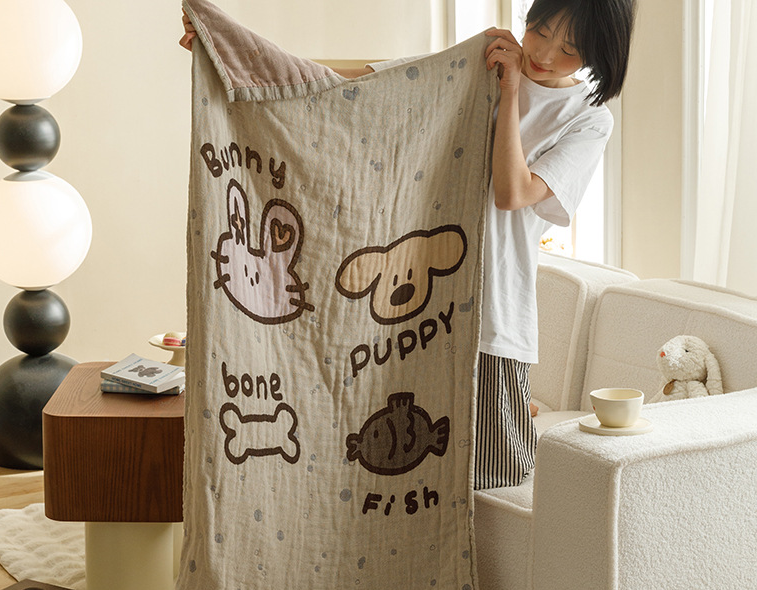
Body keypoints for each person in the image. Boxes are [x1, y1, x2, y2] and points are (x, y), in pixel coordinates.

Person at [179, 0, 636, 490]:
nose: (544, 54)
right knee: (395, 474)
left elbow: (512, 192)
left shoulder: (588, 119)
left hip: (492, 314)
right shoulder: (483, 61)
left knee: (493, 477)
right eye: (540, 31)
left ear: (600, 55)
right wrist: (234, 56)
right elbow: (363, 86)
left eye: (569, 48)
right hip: (405, 312)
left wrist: (509, 92)